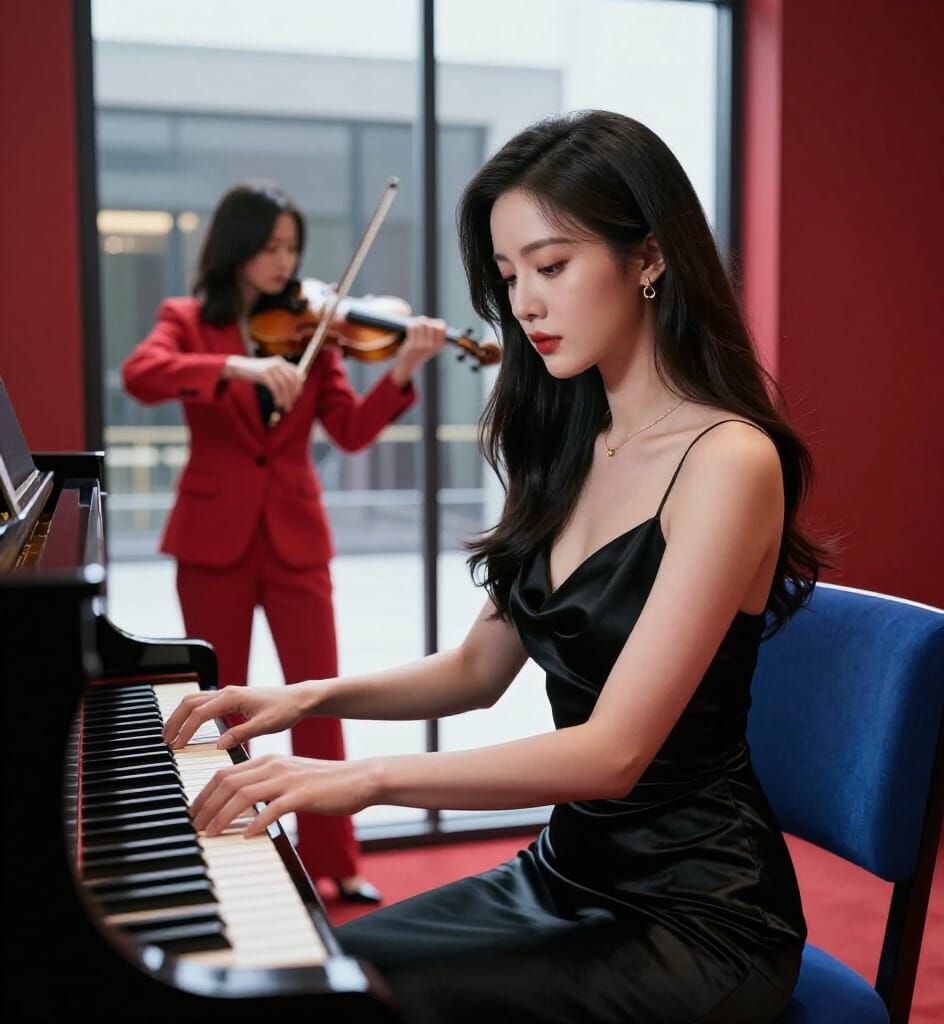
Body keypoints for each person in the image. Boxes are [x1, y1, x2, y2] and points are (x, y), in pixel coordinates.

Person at [162, 112, 828, 1022]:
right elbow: (477, 673)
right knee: (327, 970)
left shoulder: (729, 460)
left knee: (350, 999)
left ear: (649, 258)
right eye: (509, 276)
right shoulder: (567, 441)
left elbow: (613, 755)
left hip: (697, 913)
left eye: (551, 266)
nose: (524, 304)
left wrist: (362, 778)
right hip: (567, 872)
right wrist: (305, 698)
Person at [123, 181, 447, 903]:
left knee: (318, 697)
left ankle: (335, 858)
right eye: (270, 246)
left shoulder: (314, 330)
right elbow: (140, 375)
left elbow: (351, 431)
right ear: (237, 249)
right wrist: (233, 366)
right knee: (222, 707)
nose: (283, 261)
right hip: (213, 538)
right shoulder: (184, 320)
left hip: (297, 536)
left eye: (292, 247)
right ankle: (240, 854)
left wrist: (401, 372)